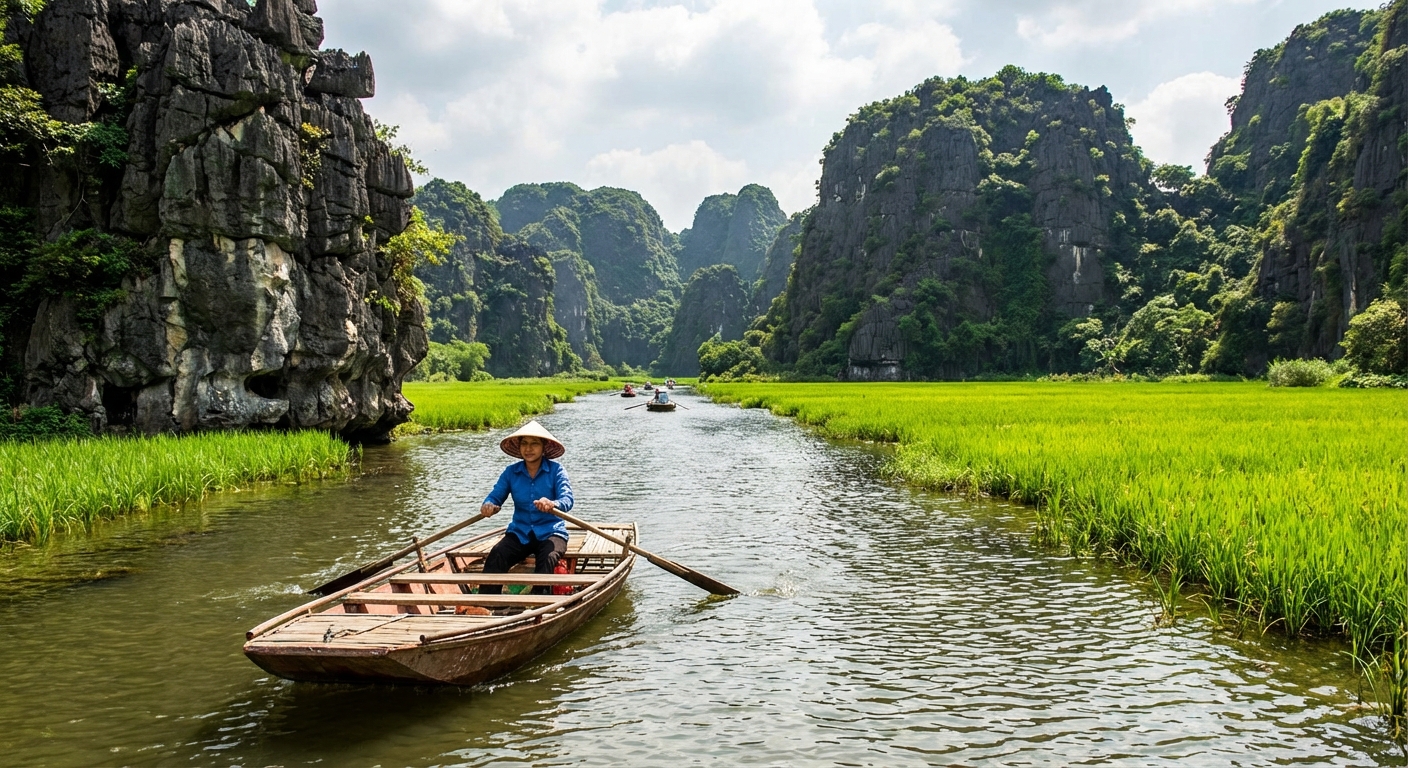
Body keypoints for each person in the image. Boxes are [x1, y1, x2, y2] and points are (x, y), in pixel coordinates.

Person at [479, 420, 573, 596]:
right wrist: (489, 505)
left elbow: (567, 500)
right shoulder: (511, 472)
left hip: (551, 532)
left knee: (548, 558)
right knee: (497, 554)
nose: (528, 449)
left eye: (534, 443)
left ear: (544, 447)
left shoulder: (556, 471)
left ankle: (538, 602)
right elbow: (495, 496)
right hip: (520, 532)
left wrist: (553, 504)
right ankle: (487, 603)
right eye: (524, 443)